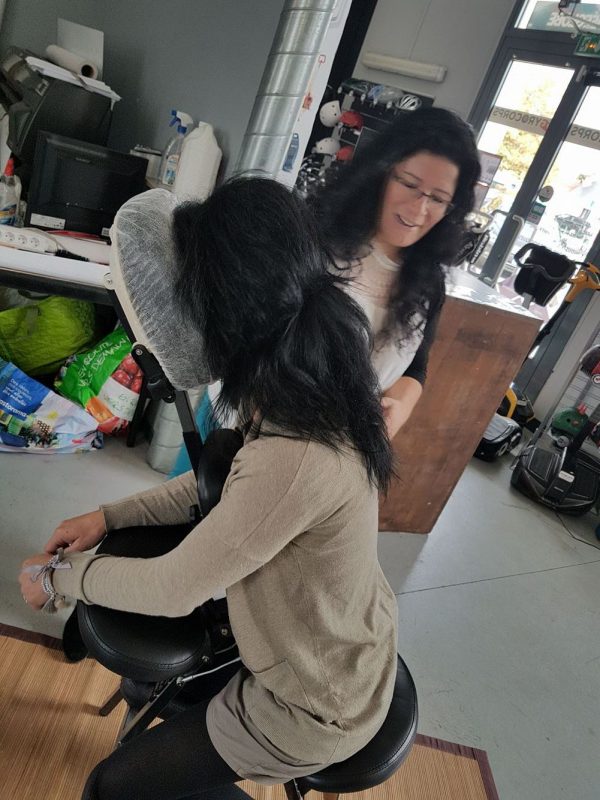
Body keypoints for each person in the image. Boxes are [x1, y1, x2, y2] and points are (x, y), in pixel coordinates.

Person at [19, 177, 398, 800]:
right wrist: (108, 517)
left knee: (111, 789)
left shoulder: (296, 458)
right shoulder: (313, 379)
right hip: (332, 643)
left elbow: (173, 588)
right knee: (150, 685)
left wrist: (57, 577)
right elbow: (221, 485)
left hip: (310, 706)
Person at [310, 106, 481, 439]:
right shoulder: (317, 240)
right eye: (409, 184)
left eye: (438, 199)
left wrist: (400, 406)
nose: (419, 209)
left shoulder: (428, 283)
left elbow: (416, 367)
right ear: (381, 172)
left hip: (343, 449)